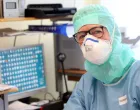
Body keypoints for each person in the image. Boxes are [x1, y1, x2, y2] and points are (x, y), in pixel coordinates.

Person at [64, 4, 140, 110]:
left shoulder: (136, 75)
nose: (89, 41)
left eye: (97, 31)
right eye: (82, 36)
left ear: (113, 32)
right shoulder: (87, 82)